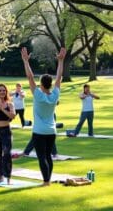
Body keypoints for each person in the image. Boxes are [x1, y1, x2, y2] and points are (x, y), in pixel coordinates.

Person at [21, 46, 66, 186]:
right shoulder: (54, 95)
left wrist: (25, 61)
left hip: (39, 132)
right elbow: (59, 77)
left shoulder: (38, 94)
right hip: (51, 131)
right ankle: (48, 180)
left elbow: (29, 76)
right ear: (50, 84)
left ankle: (46, 181)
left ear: (41, 84)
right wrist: (61, 61)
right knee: (48, 156)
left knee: (42, 157)